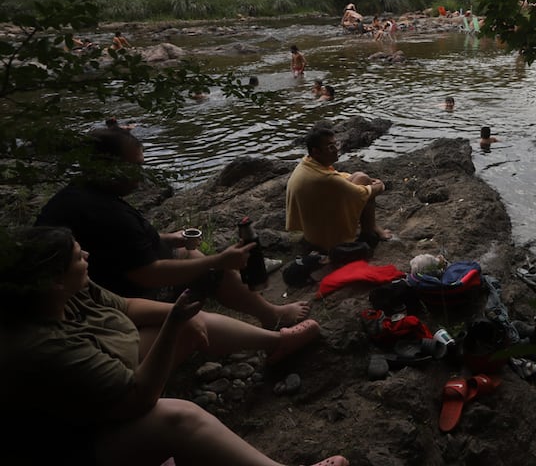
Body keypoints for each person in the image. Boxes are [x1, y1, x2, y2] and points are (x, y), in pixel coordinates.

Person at [0, 226, 345, 466]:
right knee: (180, 417)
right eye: (78, 255)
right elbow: (139, 397)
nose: (86, 254)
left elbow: (127, 306)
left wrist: (179, 316)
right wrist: (173, 324)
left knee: (194, 323)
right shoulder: (41, 344)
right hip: (71, 444)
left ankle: (276, 343)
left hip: (102, 377)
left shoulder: (70, 291)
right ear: (54, 280)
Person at [35, 128, 311, 330]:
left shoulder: (79, 195)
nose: (140, 176)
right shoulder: (103, 212)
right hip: (99, 304)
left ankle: (267, 313)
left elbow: (119, 249)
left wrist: (168, 239)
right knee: (213, 269)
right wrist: (219, 259)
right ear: (105, 166)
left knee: (195, 258)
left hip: (93, 288)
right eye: (134, 167)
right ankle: (270, 320)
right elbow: (146, 275)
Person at [285, 125, 392, 253]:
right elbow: (362, 194)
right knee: (363, 182)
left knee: (360, 177)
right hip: (326, 239)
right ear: (316, 151)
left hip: (312, 229)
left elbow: (339, 177)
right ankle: (369, 232)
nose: (336, 149)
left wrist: (365, 182)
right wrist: (380, 186)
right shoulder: (324, 178)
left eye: (336, 144)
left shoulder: (307, 163)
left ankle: (372, 227)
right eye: (330, 147)